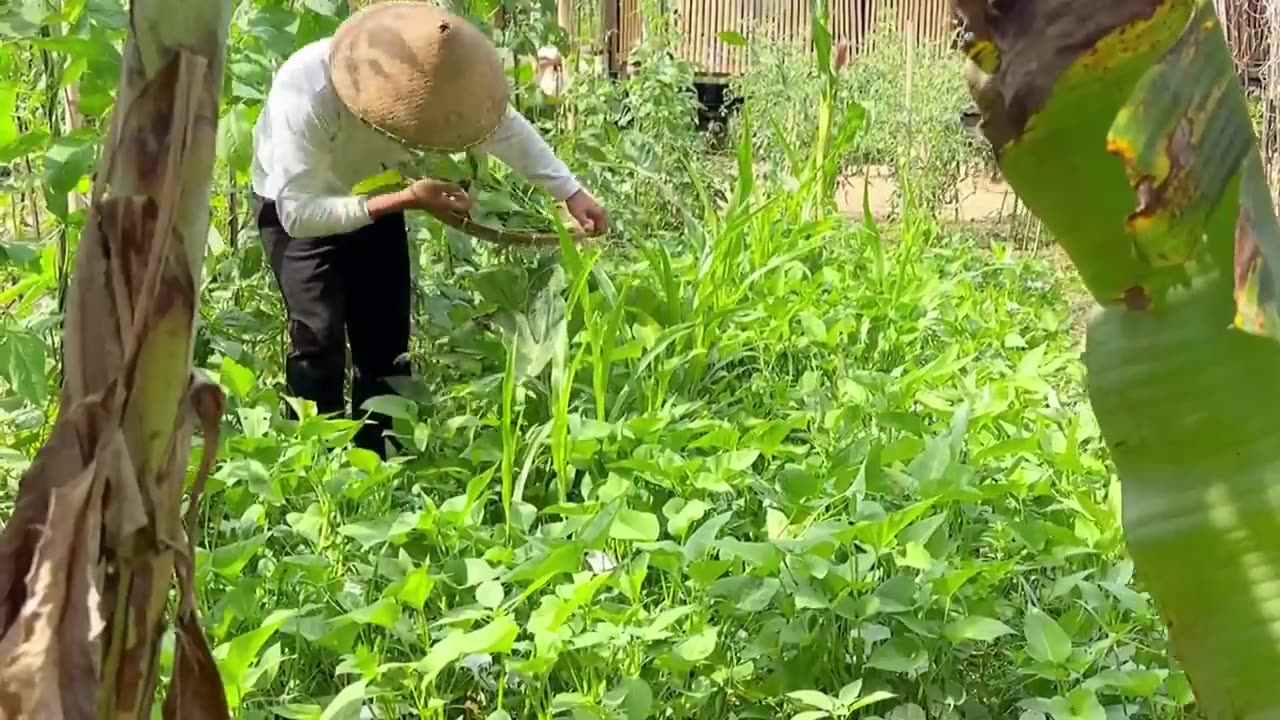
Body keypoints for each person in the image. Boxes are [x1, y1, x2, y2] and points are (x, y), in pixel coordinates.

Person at [250, 1, 608, 457]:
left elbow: (501, 127)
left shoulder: (431, 77)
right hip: (296, 206)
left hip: (375, 191)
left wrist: (570, 191)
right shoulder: (305, 91)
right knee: (317, 339)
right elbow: (299, 214)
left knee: (385, 343)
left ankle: (378, 464)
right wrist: (410, 199)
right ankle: (313, 466)